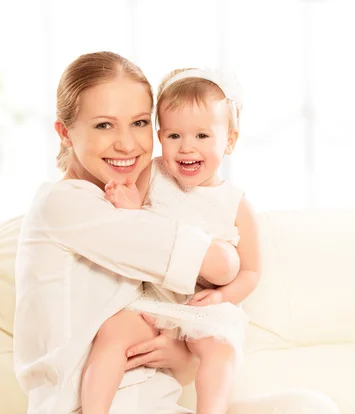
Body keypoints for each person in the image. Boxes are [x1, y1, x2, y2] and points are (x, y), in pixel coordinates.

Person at [13, 50, 340, 414]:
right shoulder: (65, 204)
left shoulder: (132, 201)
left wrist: (179, 357)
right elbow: (220, 265)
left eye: (138, 123)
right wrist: (227, 257)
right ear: (65, 133)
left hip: (155, 399)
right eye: (104, 125)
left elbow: (176, 344)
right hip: (104, 405)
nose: (126, 143)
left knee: (309, 406)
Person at [99, 67, 259, 414]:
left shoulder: (236, 203)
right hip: (153, 298)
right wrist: (127, 204)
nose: (187, 147)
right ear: (160, 137)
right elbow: (135, 224)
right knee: (112, 335)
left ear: (230, 140)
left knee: (219, 348)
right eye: (174, 136)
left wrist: (221, 296)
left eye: (202, 136)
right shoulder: (153, 174)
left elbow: (251, 272)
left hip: (203, 304)